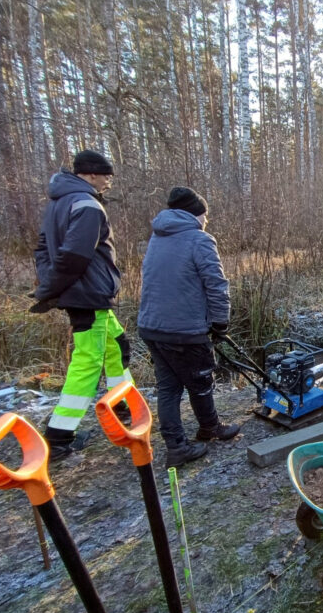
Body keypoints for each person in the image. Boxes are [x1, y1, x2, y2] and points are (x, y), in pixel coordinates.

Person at [31, 149, 133, 461]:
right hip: (87, 294)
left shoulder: (60, 202)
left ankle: (121, 406)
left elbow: (41, 248)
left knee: (117, 344)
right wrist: (51, 288)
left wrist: (49, 282)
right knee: (88, 361)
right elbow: (75, 255)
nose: (109, 182)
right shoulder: (87, 205)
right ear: (90, 174)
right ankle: (60, 436)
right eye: (106, 176)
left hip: (84, 292)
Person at [137, 187, 241, 469]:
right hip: (183, 330)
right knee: (201, 381)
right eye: (205, 215)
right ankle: (210, 428)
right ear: (196, 214)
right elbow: (216, 285)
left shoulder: (157, 238)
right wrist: (220, 322)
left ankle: (176, 445)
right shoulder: (199, 240)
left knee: (168, 388)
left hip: (151, 327)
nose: (206, 220)